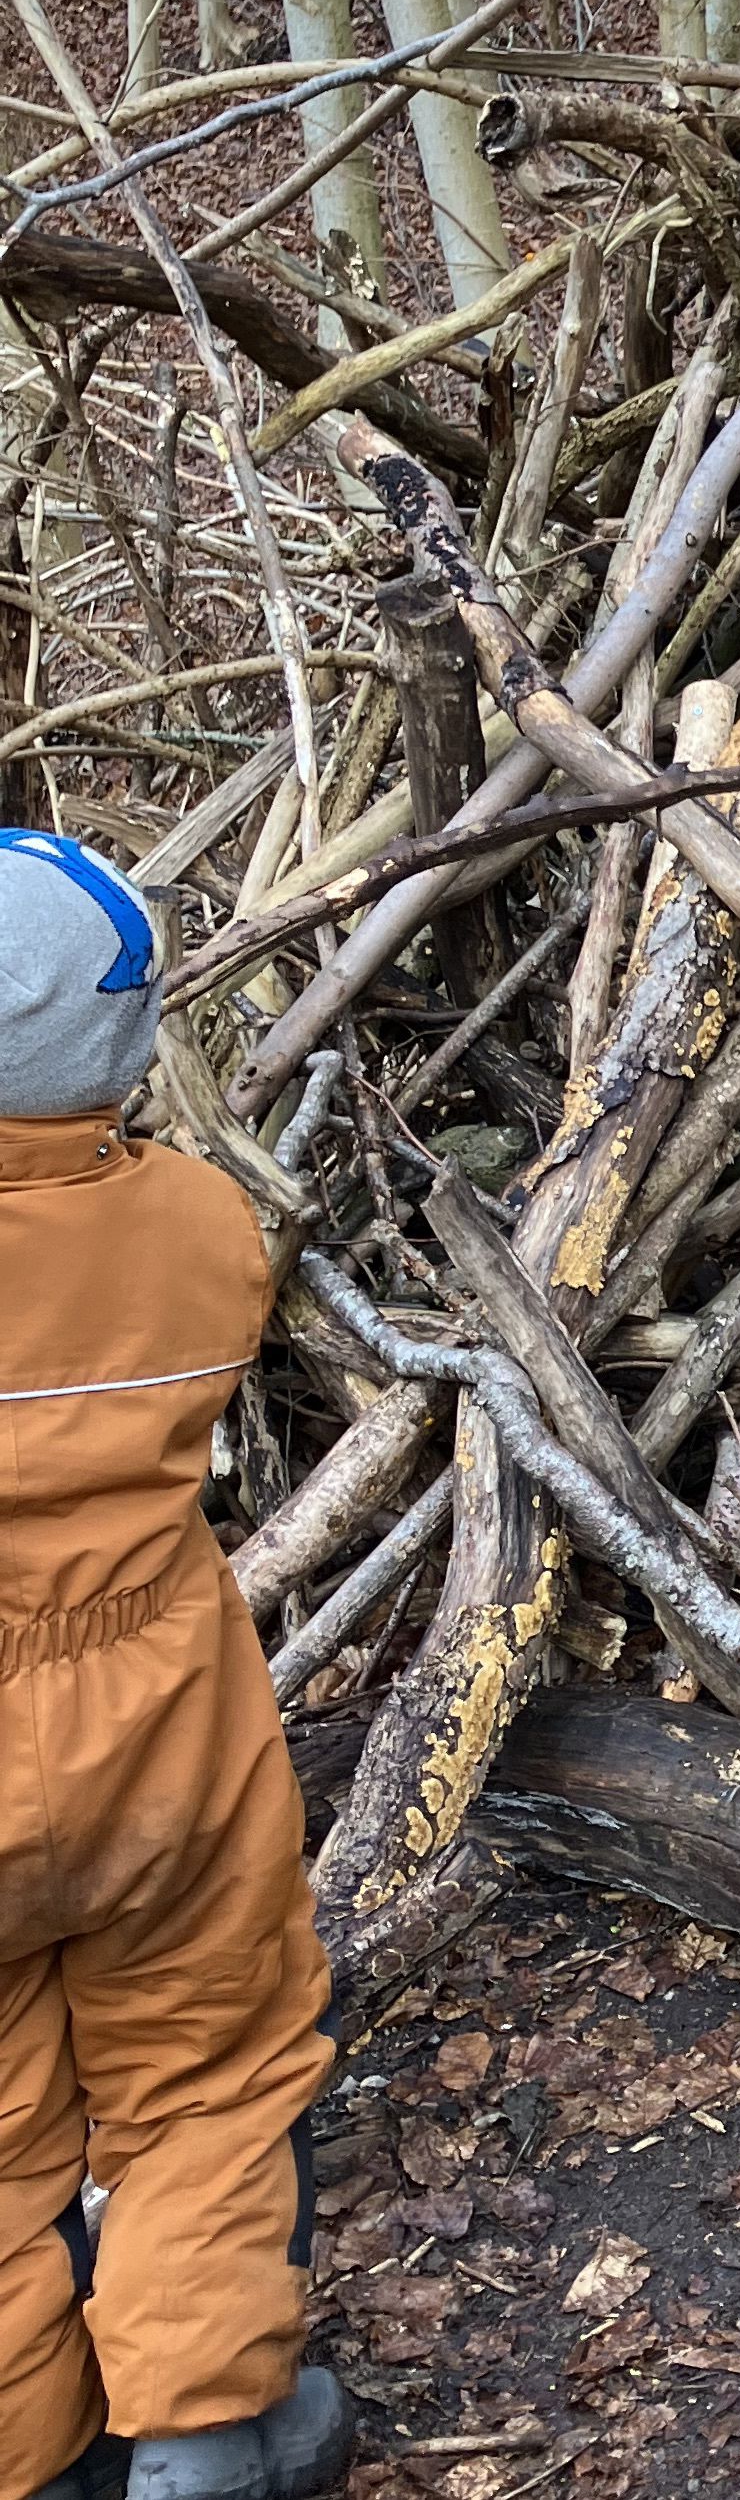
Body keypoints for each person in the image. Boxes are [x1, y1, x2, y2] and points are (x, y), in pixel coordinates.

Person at [0, 833, 354, 2500]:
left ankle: (37, 2458)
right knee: (205, 2073)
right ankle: (206, 2438)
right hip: (158, 1719)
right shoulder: (204, 1226)